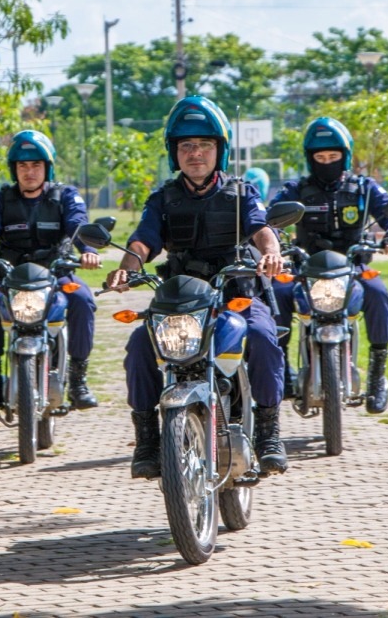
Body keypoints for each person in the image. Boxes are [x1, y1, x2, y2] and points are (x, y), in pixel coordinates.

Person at [104, 96, 288, 480]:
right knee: (140, 344)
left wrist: (271, 254)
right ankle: (148, 441)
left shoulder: (240, 193)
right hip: (181, 300)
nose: (196, 154)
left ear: (219, 150)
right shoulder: (163, 199)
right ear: (175, 153)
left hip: (233, 294)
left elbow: (262, 229)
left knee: (263, 335)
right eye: (187, 146)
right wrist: (125, 269)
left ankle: (270, 433)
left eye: (204, 145)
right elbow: (142, 242)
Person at [269, 116, 388, 414]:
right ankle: (283, 374)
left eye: (333, 157)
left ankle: (376, 375)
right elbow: (270, 218)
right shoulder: (297, 190)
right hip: (306, 269)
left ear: (344, 156)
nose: (327, 162)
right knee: (276, 294)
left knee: (378, 292)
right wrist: (274, 240)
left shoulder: (364, 188)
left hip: (352, 269)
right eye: (320, 157)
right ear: (310, 159)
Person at [0, 130, 101, 411]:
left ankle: (78, 380)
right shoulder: (0, 200)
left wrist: (88, 250)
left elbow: (78, 224)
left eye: (35, 165)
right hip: (11, 277)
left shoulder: (65, 195)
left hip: (56, 274)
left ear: (47, 167)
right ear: (14, 169)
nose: (29, 172)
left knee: (82, 299)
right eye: (22, 166)